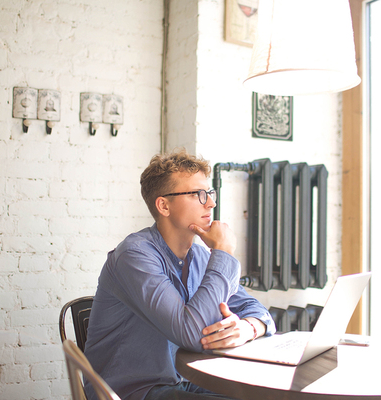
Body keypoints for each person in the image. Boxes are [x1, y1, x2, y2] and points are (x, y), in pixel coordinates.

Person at [84, 149, 276, 400]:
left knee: (265, 394)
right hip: (135, 391)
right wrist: (224, 251)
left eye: (209, 193)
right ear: (164, 205)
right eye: (198, 194)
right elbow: (191, 335)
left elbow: (257, 310)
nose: (211, 203)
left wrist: (248, 328)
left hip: (187, 381)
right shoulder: (134, 256)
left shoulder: (201, 256)